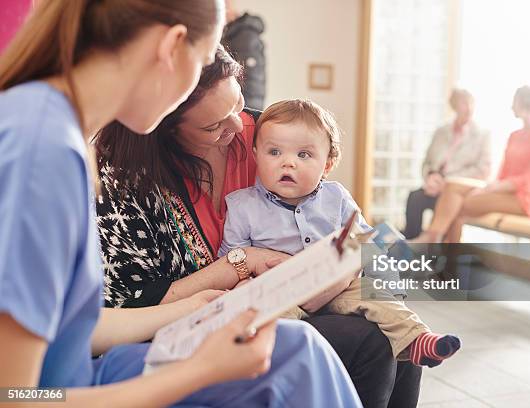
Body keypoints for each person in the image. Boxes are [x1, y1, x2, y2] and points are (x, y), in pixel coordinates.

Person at [0, 1, 362, 407]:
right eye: (204, 59)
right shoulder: (44, 153)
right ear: (172, 48)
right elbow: (16, 397)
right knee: (300, 353)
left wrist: (191, 307)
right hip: (65, 390)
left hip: (81, 370)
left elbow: (68, 327)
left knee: (301, 345)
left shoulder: (53, 125)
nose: (236, 126)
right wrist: (200, 371)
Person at [95, 46, 423, 408]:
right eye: (212, 126)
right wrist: (241, 261)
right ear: (161, 126)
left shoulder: (271, 138)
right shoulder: (124, 183)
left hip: (319, 288)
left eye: (236, 103)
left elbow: (346, 224)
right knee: (369, 341)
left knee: (403, 342)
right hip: (220, 313)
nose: (237, 127)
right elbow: (129, 306)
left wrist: (342, 272)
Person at [219, 99, 461, 367]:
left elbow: (368, 244)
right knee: (266, 311)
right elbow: (230, 260)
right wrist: (246, 284)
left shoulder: (337, 197)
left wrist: (390, 290)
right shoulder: (242, 205)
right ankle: (289, 363)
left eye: (303, 155)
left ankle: (418, 340)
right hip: (279, 291)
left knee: (372, 291)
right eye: (274, 152)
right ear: (255, 156)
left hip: (338, 289)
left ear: (327, 164)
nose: (288, 163)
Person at [412, 86, 530, 243]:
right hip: (503, 193)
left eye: (515, 101)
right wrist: (489, 188)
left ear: (525, 103)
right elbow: (503, 172)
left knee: (460, 205)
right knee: (453, 189)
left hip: (523, 200)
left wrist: (495, 187)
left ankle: (431, 242)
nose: (512, 106)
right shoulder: (515, 136)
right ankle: (436, 247)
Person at [404, 89, 491, 239]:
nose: (469, 107)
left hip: (457, 189)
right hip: (435, 185)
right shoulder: (441, 132)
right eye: (464, 103)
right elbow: (427, 162)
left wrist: (448, 181)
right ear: (455, 106)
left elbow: (483, 170)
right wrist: (431, 177)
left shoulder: (482, 135)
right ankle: (410, 248)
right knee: (415, 198)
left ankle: (433, 252)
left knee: (445, 206)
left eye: (471, 102)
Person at [222, 0, 265, 110]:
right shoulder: (232, 33)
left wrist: (246, 114)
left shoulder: (244, 35)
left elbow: (250, 80)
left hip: (242, 109)